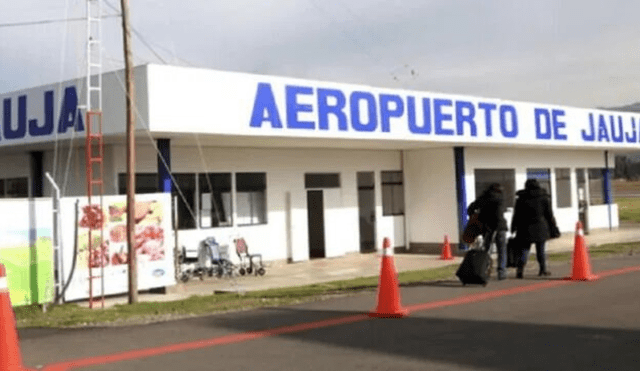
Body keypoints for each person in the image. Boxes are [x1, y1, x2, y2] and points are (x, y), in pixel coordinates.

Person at [510, 179, 558, 278]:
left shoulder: (521, 199)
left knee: (524, 249)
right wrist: (553, 228)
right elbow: (549, 215)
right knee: (540, 250)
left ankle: (520, 270)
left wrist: (513, 227)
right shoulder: (544, 198)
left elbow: (517, 215)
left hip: (524, 227)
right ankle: (542, 269)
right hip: (540, 227)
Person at [467, 183, 508, 280]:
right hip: (500, 227)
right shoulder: (500, 198)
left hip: (487, 227)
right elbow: (499, 213)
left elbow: (470, 209)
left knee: (487, 249)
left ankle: (483, 269)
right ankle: (501, 272)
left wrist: (477, 216)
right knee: (502, 250)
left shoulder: (483, 198)